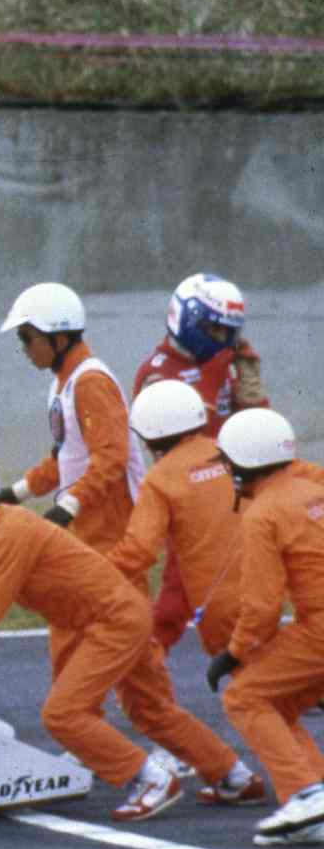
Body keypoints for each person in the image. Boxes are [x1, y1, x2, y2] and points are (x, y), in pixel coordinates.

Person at [0, 446, 194, 822]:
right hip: (99, 620)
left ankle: (152, 779)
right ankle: (228, 773)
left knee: (64, 714)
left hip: (113, 620)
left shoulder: (10, 532)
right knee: (105, 710)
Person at [103, 381, 265, 805]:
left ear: (151, 434)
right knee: (273, 688)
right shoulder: (232, 453)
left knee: (259, 701)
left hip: (219, 606)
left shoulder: (162, 478)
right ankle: (236, 778)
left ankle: (287, 785)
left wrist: (92, 574)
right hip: (267, 587)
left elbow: (138, 552)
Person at [129, 273, 271, 653]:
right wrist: (211, 377)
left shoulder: (221, 361)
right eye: (214, 329)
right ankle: (142, 671)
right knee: (177, 596)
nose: (223, 341)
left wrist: (251, 396)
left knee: (261, 582)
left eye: (229, 333)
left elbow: (251, 429)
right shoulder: (157, 371)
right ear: (187, 319)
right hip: (193, 494)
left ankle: (293, 673)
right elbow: (183, 434)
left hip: (234, 487)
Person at [204, 410, 324, 847]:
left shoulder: (263, 514)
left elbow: (262, 609)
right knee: (279, 702)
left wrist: (232, 655)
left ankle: (308, 793)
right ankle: (310, 795)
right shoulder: (314, 489)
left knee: (245, 694)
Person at [0, 282, 145, 554]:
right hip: (86, 526)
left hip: (109, 531)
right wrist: (15, 494)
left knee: (116, 597)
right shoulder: (64, 383)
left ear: (59, 340)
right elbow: (67, 456)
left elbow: (111, 457)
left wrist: (69, 506)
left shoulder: (90, 383)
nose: (24, 349)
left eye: (27, 338)